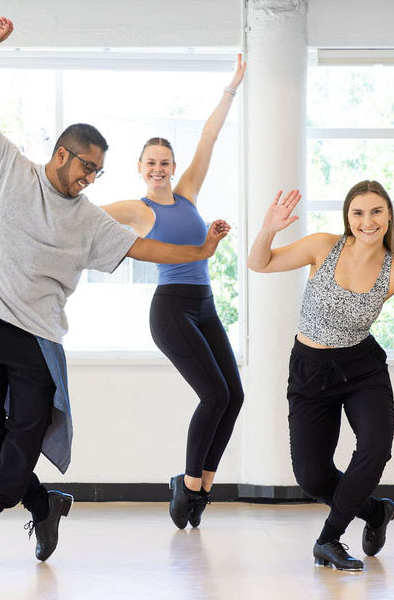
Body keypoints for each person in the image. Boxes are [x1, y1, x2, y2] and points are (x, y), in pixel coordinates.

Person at [0, 16, 230, 567]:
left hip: (38, 337)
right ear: (62, 154)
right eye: (87, 166)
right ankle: (42, 503)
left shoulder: (89, 221)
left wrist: (200, 253)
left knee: (28, 433)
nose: (91, 178)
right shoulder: (9, 168)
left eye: (99, 173)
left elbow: (144, 249)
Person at [247, 182, 394, 571]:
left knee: (375, 447)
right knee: (312, 477)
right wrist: (269, 227)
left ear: (388, 217)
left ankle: (328, 539)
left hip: (361, 369)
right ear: (348, 217)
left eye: (376, 212)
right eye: (358, 213)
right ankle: (375, 511)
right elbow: (259, 263)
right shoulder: (322, 246)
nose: (367, 221)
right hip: (310, 369)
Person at [101, 55, 246, 529]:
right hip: (170, 309)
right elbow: (84, 215)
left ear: (173, 166)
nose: (159, 168)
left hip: (204, 305)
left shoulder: (187, 195)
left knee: (234, 395)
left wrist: (231, 88)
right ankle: (186, 484)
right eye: (151, 163)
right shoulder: (136, 208)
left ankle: (202, 484)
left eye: (165, 162)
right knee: (213, 395)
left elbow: (209, 137)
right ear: (141, 168)